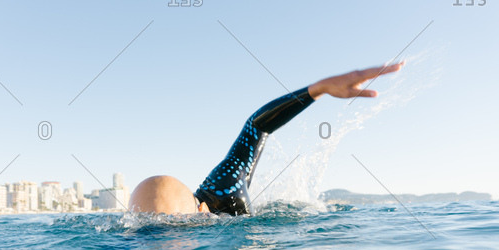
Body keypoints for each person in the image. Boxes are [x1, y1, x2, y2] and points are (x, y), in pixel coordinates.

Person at [128, 61, 405, 215]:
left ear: (201, 211)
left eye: (170, 233)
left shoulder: (223, 191)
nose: (157, 247)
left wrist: (317, 89)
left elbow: (256, 127)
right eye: (145, 234)